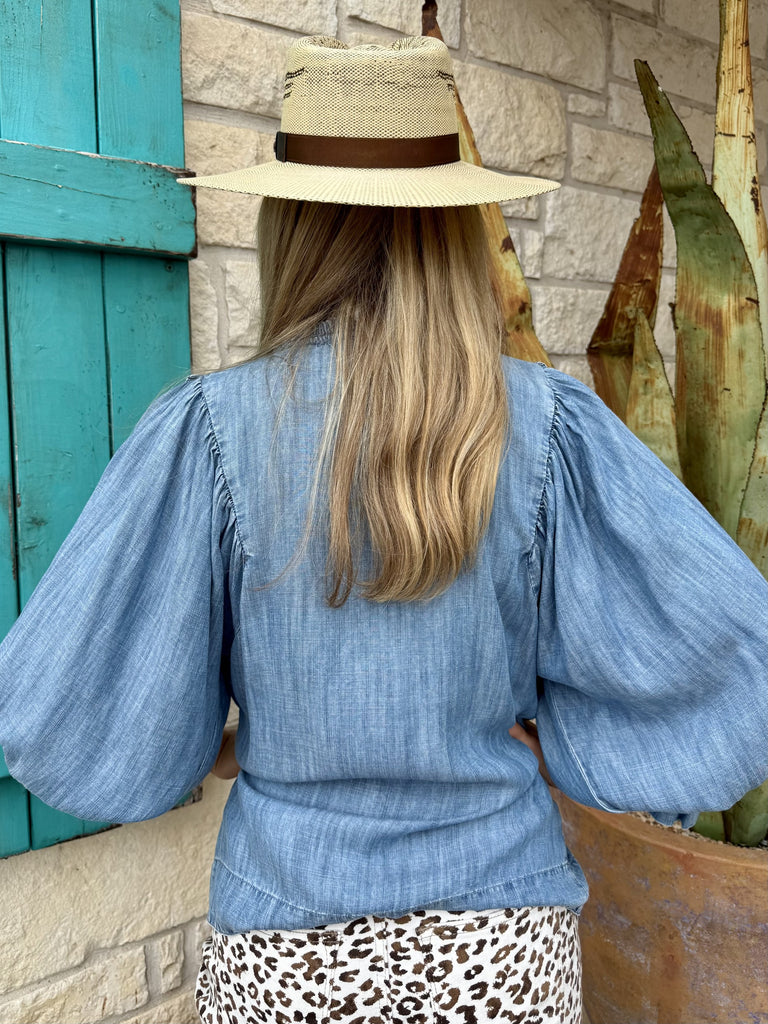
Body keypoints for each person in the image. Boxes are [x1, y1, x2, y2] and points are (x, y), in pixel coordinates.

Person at [0, 33, 765, 1024]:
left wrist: (229, 739)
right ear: (454, 228)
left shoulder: (212, 431)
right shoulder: (551, 429)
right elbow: (737, 658)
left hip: (285, 942)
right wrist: (562, 745)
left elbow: (61, 710)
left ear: (290, 226)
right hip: (503, 944)